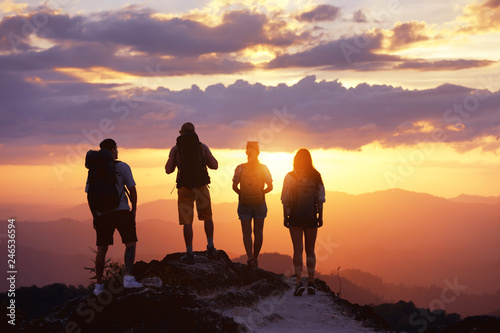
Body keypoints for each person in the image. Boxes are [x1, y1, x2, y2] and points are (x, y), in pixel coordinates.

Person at [85, 138, 143, 296]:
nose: (117, 151)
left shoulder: (93, 170)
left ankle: (98, 286)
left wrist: (95, 216)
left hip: (102, 215)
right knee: (130, 243)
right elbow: (132, 190)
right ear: (112, 150)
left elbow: (89, 196)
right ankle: (129, 278)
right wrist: (134, 210)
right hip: (121, 211)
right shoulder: (122, 166)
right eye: (116, 149)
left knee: (101, 249)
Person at [165, 122, 219, 264]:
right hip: (201, 187)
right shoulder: (202, 147)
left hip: (184, 188)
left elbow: (168, 169)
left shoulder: (176, 149)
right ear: (194, 132)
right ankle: (211, 248)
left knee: (187, 222)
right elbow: (215, 165)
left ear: (181, 133)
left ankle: (189, 253)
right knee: (207, 217)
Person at [281, 148, 325, 296]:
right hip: (311, 216)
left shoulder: (290, 177)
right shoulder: (315, 176)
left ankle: (299, 282)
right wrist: (320, 216)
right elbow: (320, 199)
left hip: (294, 217)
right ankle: (311, 282)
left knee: (297, 249)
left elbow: (285, 199)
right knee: (310, 250)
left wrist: (285, 216)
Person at [232, 142, 273, 268]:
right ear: (258, 152)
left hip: (244, 204)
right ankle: (256, 259)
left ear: (246, 152)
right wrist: (261, 193)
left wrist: (242, 194)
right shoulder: (263, 168)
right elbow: (270, 187)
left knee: (246, 233)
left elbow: (234, 186)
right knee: (258, 232)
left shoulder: (240, 168)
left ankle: (250, 259)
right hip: (259, 203)